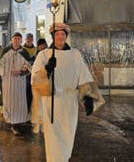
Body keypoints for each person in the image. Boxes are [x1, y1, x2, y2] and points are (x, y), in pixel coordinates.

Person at [31, 23, 105, 162]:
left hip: (70, 101)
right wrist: (46, 69)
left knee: (68, 134)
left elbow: (83, 75)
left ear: (66, 36)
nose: (60, 37)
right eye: (57, 34)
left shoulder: (75, 54)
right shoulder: (44, 54)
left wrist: (88, 98)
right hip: (52, 100)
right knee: (53, 137)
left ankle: (64, 159)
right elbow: (35, 79)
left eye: (63, 34)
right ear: (53, 36)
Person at [0, 32, 32, 135]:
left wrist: (20, 72)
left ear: (21, 40)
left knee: (19, 103)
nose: (16, 40)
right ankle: (11, 123)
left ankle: (17, 123)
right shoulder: (6, 51)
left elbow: (30, 68)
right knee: (9, 103)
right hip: (7, 82)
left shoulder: (24, 52)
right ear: (11, 40)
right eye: (14, 38)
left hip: (20, 83)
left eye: (18, 39)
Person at [31, 38, 48, 134]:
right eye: (40, 45)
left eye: (43, 44)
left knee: (45, 105)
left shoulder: (48, 53)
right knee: (37, 104)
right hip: (36, 82)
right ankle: (37, 124)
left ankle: (43, 125)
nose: (42, 46)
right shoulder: (37, 54)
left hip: (46, 82)